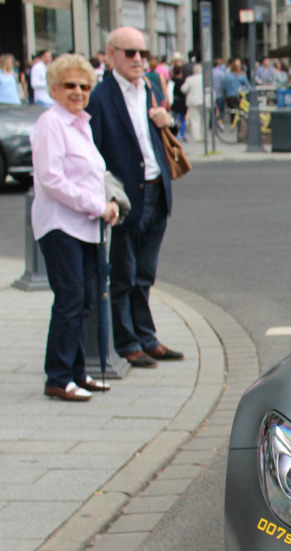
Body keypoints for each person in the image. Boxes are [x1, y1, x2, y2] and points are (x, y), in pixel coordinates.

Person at [86, 26, 183, 368]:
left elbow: (161, 137)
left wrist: (166, 120)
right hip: (128, 195)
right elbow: (94, 154)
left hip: (157, 189)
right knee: (124, 273)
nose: (139, 60)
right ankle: (128, 342)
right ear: (111, 55)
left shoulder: (151, 88)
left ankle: (147, 337)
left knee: (146, 272)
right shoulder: (100, 97)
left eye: (143, 53)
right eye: (130, 53)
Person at [31, 53, 121, 401]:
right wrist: (97, 205)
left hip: (84, 225)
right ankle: (57, 376)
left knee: (84, 300)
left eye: (84, 86)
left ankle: (76, 372)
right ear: (54, 88)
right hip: (60, 225)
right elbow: (51, 179)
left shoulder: (79, 123)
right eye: (70, 85)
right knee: (70, 299)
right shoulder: (51, 123)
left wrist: (104, 206)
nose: (78, 92)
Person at [181, 62, 204, 142]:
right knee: (204, 119)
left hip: (193, 101)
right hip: (203, 100)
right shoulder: (204, 78)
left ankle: (197, 137)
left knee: (195, 120)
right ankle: (203, 135)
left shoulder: (190, 79)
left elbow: (183, 89)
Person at [169, 53, 188, 140]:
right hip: (182, 100)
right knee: (182, 118)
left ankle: (176, 135)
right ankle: (183, 134)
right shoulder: (183, 80)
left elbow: (169, 91)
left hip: (175, 100)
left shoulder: (172, 81)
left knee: (175, 118)